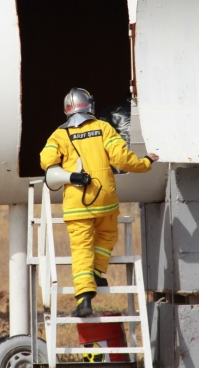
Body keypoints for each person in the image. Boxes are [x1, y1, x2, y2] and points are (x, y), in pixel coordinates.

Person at [40, 88, 159, 317]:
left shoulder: (58, 135)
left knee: (81, 249)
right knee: (107, 236)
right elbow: (122, 159)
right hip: (105, 201)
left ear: (67, 110)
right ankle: (96, 273)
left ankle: (84, 299)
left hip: (76, 206)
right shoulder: (103, 128)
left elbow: (46, 161)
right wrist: (145, 163)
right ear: (89, 106)